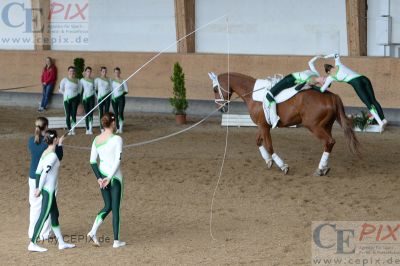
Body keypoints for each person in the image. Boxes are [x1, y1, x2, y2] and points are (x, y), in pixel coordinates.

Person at [28, 129, 75, 252]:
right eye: (57, 138)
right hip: (48, 191)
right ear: (54, 139)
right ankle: (32, 243)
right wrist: (38, 189)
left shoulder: (46, 152)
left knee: (54, 215)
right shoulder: (52, 156)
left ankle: (61, 243)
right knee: (43, 216)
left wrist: (60, 144)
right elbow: (44, 173)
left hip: (48, 190)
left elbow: (38, 171)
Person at [88, 112, 125, 248]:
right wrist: (109, 177)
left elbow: (92, 161)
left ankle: (93, 231)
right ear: (113, 123)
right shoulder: (117, 139)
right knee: (115, 208)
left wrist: (99, 178)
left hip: (102, 176)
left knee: (107, 205)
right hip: (114, 177)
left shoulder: (96, 139)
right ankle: (116, 241)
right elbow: (118, 160)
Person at [321, 53, 387, 129]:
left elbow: (322, 89)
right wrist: (326, 56)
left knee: (368, 103)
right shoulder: (338, 64)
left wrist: (316, 84)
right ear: (332, 67)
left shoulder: (331, 77)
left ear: (328, 72)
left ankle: (380, 123)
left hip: (356, 83)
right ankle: (383, 119)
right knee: (373, 100)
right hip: (364, 78)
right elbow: (336, 54)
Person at [28, 117, 64, 242]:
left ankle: (32, 231)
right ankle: (44, 233)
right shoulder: (47, 145)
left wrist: (54, 143)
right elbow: (58, 157)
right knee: (46, 206)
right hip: (47, 179)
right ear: (46, 127)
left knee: (35, 205)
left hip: (32, 177)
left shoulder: (31, 141)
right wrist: (59, 144)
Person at [265, 55, 326, 128]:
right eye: (325, 78)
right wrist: (317, 57)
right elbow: (310, 63)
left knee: (268, 95)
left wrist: (304, 84)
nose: (324, 78)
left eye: (324, 80)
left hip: (288, 81)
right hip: (290, 76)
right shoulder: (316, 74)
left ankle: (274, 119)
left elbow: (297, 88)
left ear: (322, 84)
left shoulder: (310, 82)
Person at [59, 66, 82, 135]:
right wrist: (65, 94)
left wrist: (77, 98)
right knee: (68, 114)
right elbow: (60, 89)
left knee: (74, 114)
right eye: (70, 71)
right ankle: (69, 129)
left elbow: (79, 90)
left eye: (73, 71)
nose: (72, 72)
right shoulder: (64, 80)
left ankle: (73, 129)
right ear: (68, 72)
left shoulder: (78, 80)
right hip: (67, 100)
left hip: (75, 99)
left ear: (74, 72)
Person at [111, 67, 128, 134]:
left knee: (120, 112)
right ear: (114, 73)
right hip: (113, 99)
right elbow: (110, 90)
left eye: (118, 72)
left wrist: (120, 94)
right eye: (115, 72)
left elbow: (126, 90)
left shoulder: (123, 81)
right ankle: (117, 128)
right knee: (115, 114)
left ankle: (121, 128)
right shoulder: (112, 81)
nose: (117, 73)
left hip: (121, 99)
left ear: (120, 73)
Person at [95, 67, 111, 132]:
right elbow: (95, 89)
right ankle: (101, 127)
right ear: (101, 72)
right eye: (103, 71)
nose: (104, 73)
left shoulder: (109, 79)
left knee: (106, 113)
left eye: (105, 71)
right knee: (101, 113)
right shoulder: (97, 79)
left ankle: (106, 126)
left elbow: (110, 89)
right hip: (100, 98)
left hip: (107, 97)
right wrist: (97, 97)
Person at [80, 67, 96, 135]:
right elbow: (80, 90)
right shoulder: (82, 80)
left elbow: (95, 90)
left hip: (92, 98)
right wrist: (79, 101)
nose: (89, 73)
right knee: (87, 113)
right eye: (87, 71)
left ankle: (90, 128)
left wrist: (97, 97)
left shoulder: (93, 80)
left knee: (91, 113)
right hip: (85, 98)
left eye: (90, 71)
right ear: (85, 72)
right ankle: (87, 129)